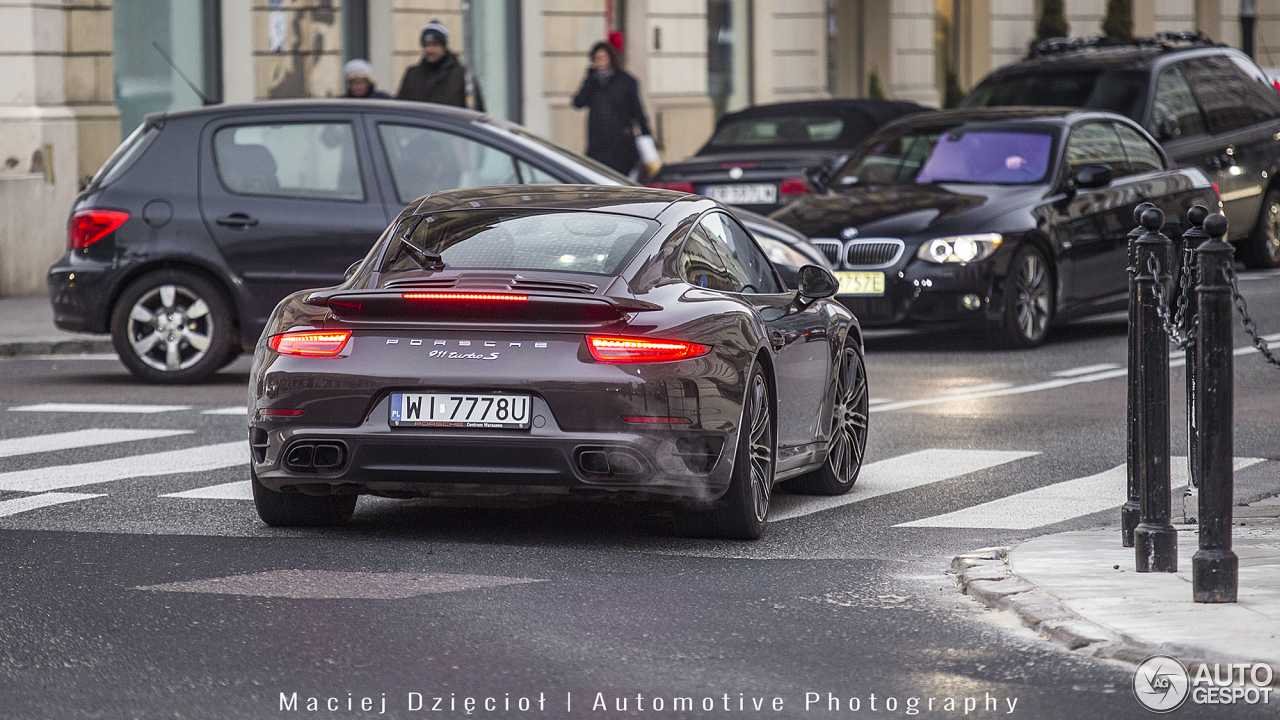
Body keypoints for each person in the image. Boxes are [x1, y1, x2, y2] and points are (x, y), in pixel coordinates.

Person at [572, 41, 651, 175]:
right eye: (596, 59)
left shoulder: (625, 81)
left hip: (622, 143)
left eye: (602, 58)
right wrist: (589, 78)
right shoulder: (593, 82)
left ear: (610, 59)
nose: (600, 63)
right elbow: (578, 102)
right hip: (598, 145)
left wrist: (647, 136)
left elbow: (637, 111)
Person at [395, 19, 484, 111]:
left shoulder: (462, 77)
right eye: (426, 45)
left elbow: (475, 112)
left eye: (434, 45)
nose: (429, 50)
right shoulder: (412, 76)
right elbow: (400, 110)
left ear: (443, 46)